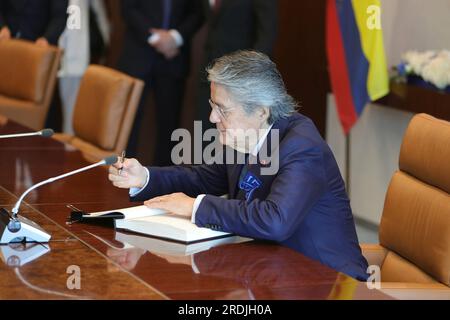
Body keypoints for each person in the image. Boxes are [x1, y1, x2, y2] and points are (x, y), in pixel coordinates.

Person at [108, 50, 369, 281]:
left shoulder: (302, 147)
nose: (212, 117)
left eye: (223, 109)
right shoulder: (246, 135)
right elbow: (203, 178)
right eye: (212, 106)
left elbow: (275, 220)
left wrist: (194, 206)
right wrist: (144, 177)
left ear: (261, 111)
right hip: (272, 273)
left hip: (326, 282)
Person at [118, 0, 203, 165]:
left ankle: (163, 181)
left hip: (174, 57)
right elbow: (128, 9)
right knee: (129, 122)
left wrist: (174, 38)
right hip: (138, 55)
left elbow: (198, 13)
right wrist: (156, 38)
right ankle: (122, 171)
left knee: (169, 125)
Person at [196, 0, 278, 133]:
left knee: (235, 138)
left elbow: (267, 34)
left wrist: (248, 71)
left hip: (241, 78)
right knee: (205, 134)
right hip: (209, 72)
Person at [0, 0, 68, 46]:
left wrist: (47, 39)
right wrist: (2, 27)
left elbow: (59, 17)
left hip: (37, 46)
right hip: (6, 42)